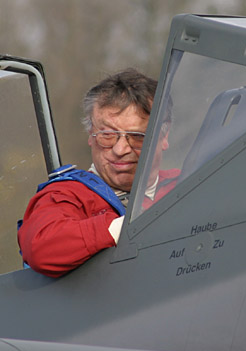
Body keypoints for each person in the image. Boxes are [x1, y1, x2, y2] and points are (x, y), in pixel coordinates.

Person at [18, 69, 165, 277]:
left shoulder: (186, 185)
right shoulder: (67, 195)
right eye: (107, 135)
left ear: (164, 137)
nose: (120, 149)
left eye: (137, 137)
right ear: (90, 135)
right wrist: (119, 229)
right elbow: (39, 248)